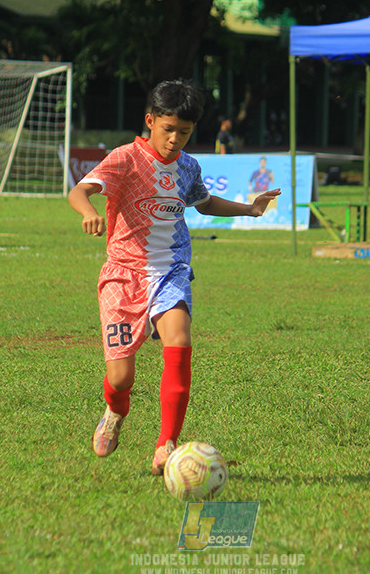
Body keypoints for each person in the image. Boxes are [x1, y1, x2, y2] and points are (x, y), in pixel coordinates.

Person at [68, 79, 280, 475]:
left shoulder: (188, 166)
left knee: (179, 340)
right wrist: (88, 212)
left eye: (184, 133)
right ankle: (116, 410)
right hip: (124, 274)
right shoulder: (125, 158)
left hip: (172, 271)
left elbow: (203, 202)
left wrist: (250, 209)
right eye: (168, 130)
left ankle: (167, 444)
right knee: (121, 376)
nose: (175, 140)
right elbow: (80, 191)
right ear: (151, 121)